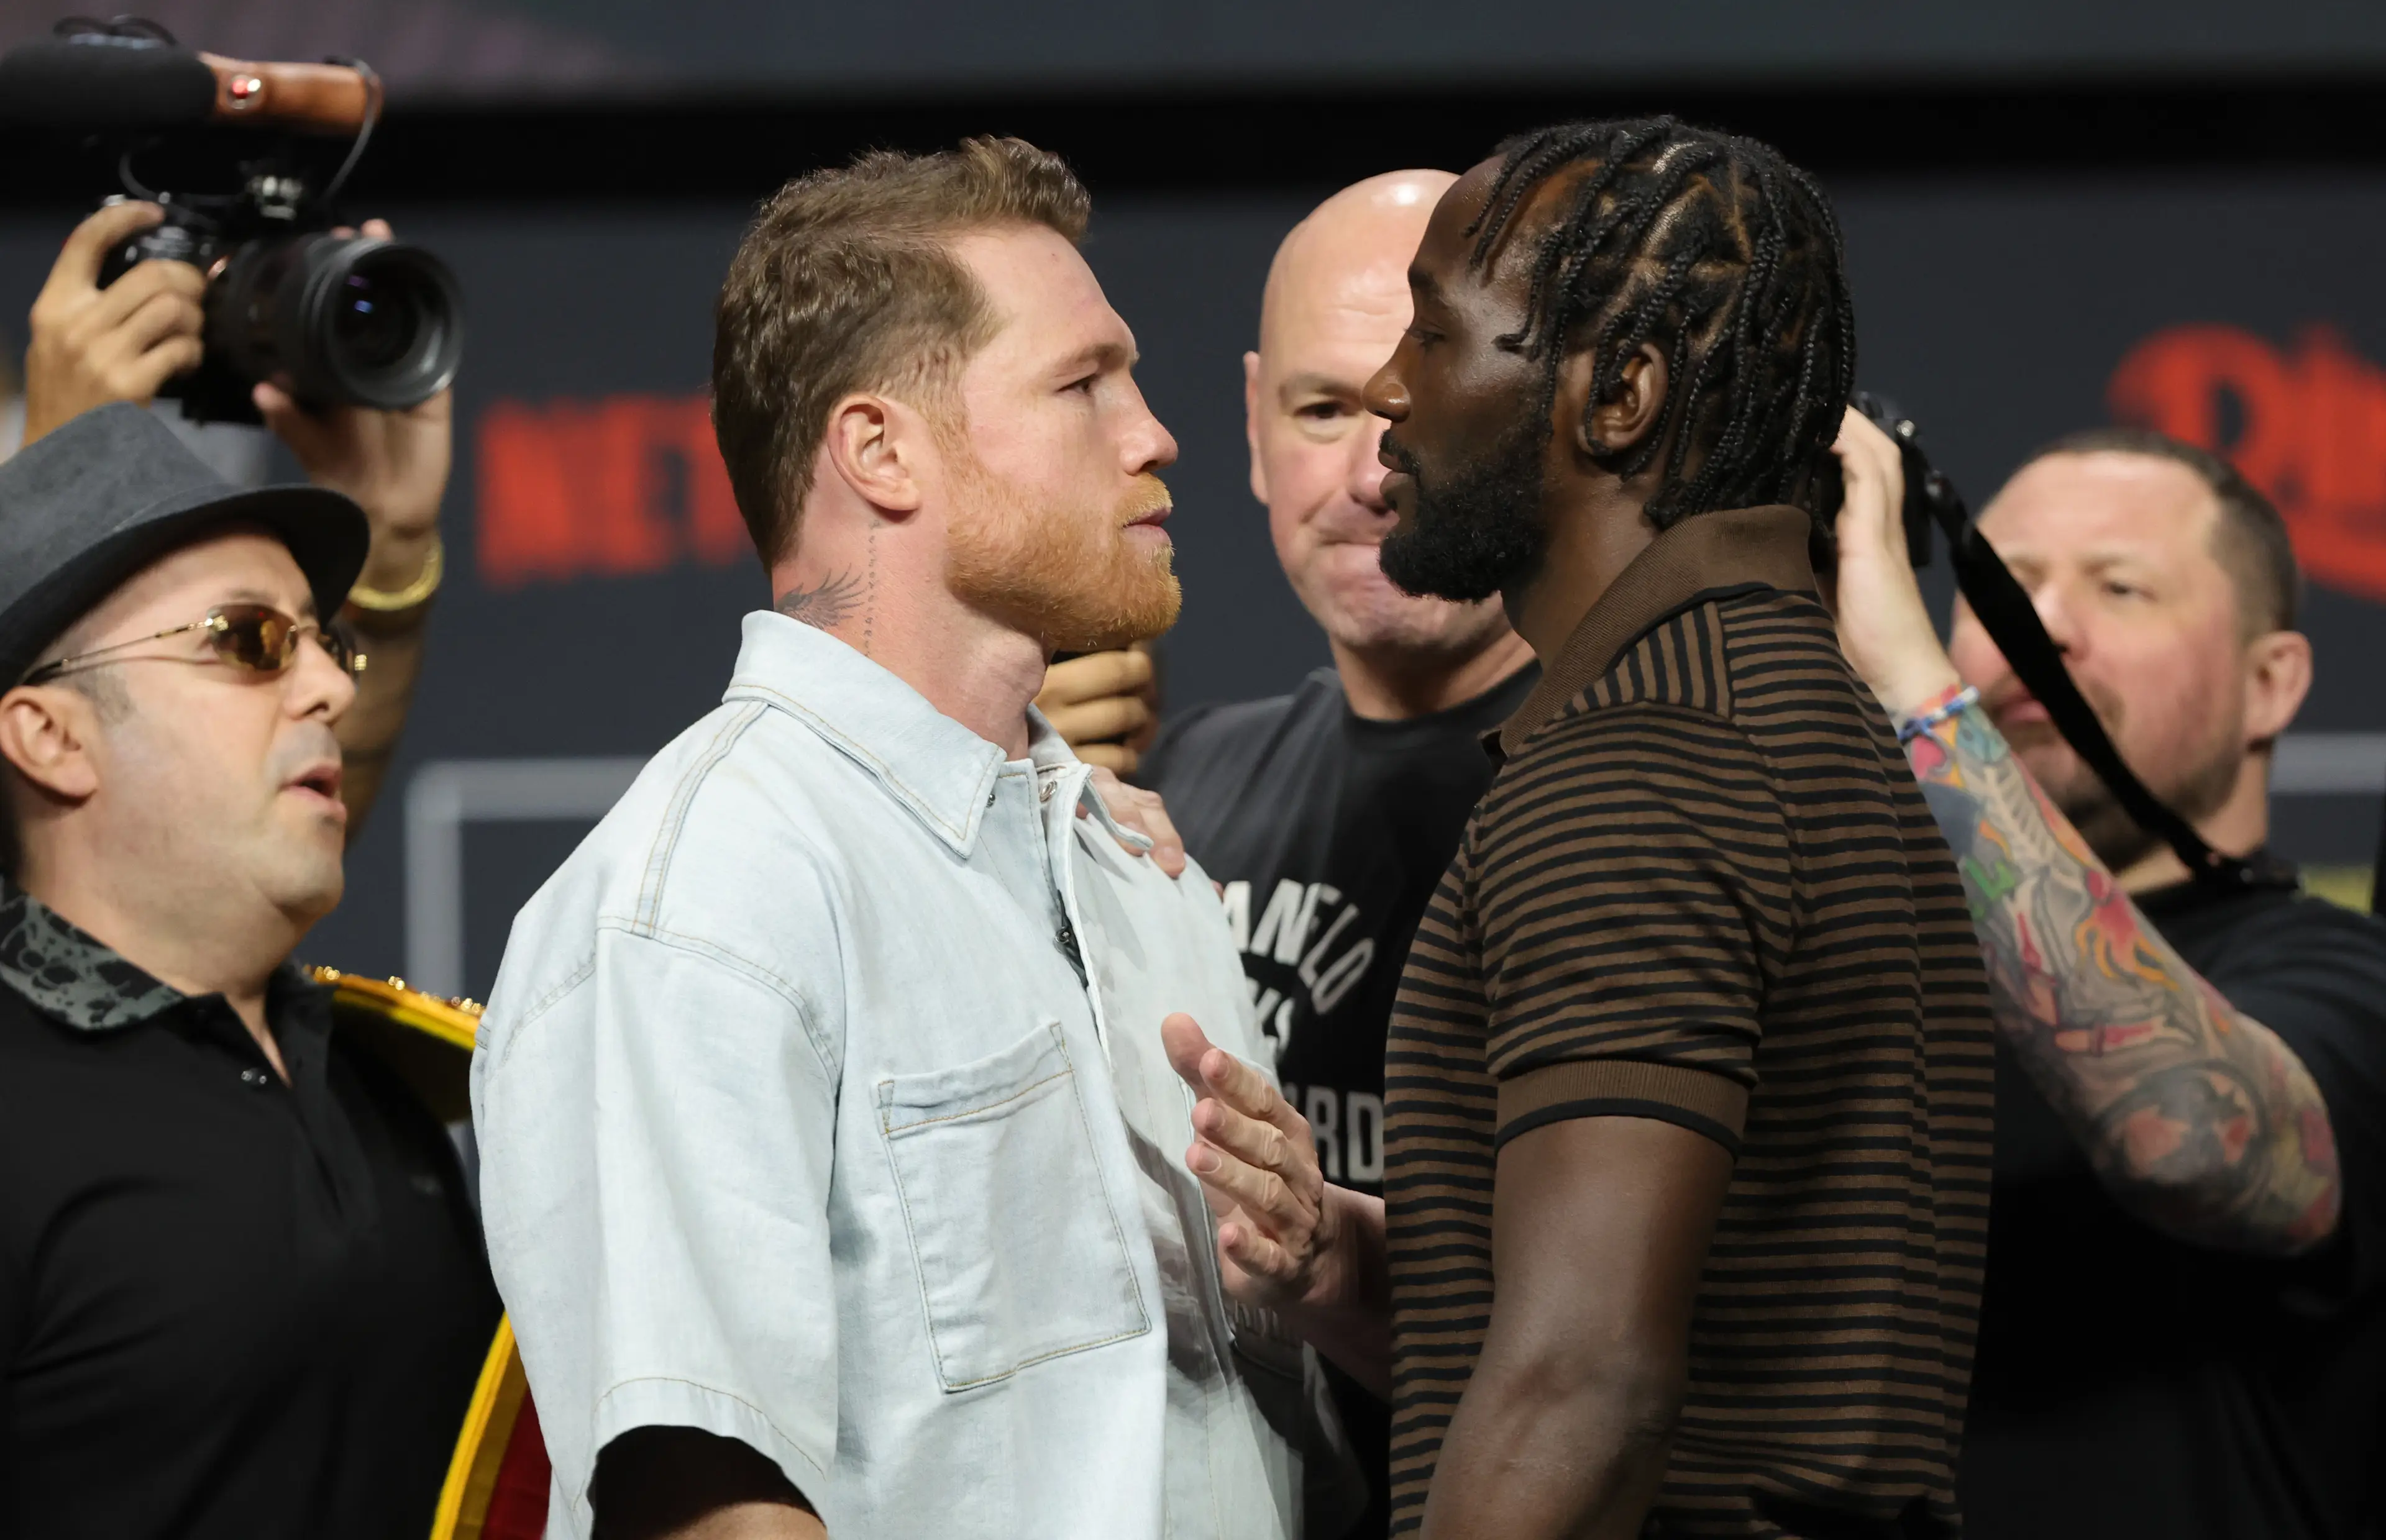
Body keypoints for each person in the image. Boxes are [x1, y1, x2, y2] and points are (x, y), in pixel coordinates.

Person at [471, 137, 1347, 1540]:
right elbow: (710, 1503)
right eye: (1083, 383)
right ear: (880, 450)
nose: (1151, 433)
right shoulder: (706, 892)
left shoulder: (1146, 876)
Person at [1152, 117, 1998, 1540]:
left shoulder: (1641, 761)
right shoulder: (1784, 700)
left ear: (1619, 397)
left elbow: (1583, 1386)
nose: (1389, 394)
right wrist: (1340, 1254)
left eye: (1434, 336)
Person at [1043, 169, 1536, 1539]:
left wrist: (1335, 1268)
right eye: (1323, 411)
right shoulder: (1174, 788)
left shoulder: (1638, 796)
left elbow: (1634, 1357)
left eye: (1419, 405)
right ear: (1256, 427)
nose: (1371, 475)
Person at [1830, 412, 2386, 1539]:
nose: (2039, 624)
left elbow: (2194, 1136)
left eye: (2121, 588)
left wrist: (1919, 696)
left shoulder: (2341, 978)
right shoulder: (1859, 981)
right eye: (2001, 581)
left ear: (2272, 683)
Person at [0, 400, 488, 1539]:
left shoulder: (381, 1088)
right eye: (250, 640)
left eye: (327, 644)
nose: (331, 687)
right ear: (51, 736)